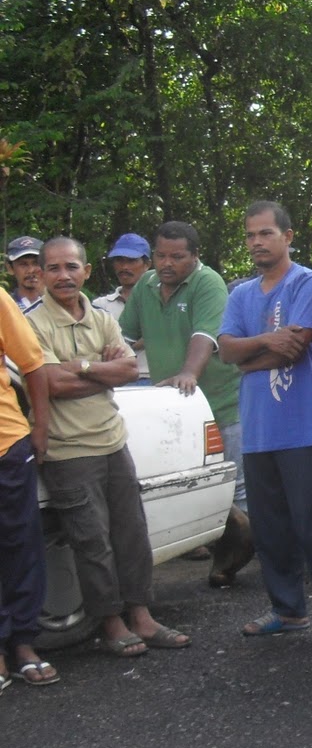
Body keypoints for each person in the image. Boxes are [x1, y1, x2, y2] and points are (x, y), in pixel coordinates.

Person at [27, 238, 190, 659]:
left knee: (132, 532)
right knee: (92, 541)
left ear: (85, 271)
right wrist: (101, 371)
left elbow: (128, 368)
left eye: (72, 267)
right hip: (67, 450)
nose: (63, 275)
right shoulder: (33, 323)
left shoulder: (101, 317)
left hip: (112, 440)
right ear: (43, 274)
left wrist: (80, 366)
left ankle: (142, 615)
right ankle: (112, 622)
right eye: (54, 268)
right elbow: (49, 383)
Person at [219, 202, 312, 648]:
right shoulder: (241, 293)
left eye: (266, 233)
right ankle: (288, 610)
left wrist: (249, 358)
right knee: (270, 528)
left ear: (287, 235)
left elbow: (295, 348)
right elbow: (225, 350)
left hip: (303, 427)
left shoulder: (308, 282)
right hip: (258, 430)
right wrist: (260, 344)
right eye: (251, 235)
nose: (257, 242)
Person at [120, 221, 252, 586]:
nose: (167, 263)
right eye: (161, 255)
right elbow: (123, 338)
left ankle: (248, 562)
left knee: (237, 485)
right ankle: (227, 551)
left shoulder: (207, 282)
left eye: (177, 257)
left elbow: (204, 336)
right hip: (176, 409)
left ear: (194, 257)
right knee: (194, 482)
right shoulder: (146, 287)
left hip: (221, 402)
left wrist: (189, 372)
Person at [0, 288, 54, 687]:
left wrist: (39, 427)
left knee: (20, 546)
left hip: (6, 444)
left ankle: (22, 641)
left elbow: (32, 364)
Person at [92, 233, 153, 379]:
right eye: (119, 260)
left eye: (131, 261)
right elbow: (97, 346)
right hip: (114, 381)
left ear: (147, 264)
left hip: (153, 378)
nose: (124, 267)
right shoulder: (101, 305)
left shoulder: (160, 301)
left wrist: (120, 344)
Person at [6, 236, 45, 314]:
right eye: (23, 264)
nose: (31, 270)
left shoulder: (58, 305)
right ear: (10, 268)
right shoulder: (6, 307)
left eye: (36, 263)